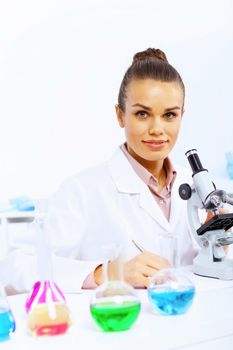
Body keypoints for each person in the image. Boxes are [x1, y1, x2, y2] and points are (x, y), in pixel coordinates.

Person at [0, 48, 201, 294]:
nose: (157, 128)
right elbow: (17, 264)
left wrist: (220, 246)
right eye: (142, 114)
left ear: (182, 115)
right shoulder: (83, 191)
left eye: (169, 114)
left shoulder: (196, 186)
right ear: (120, 115)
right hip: (122, 326)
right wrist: (107, 273)